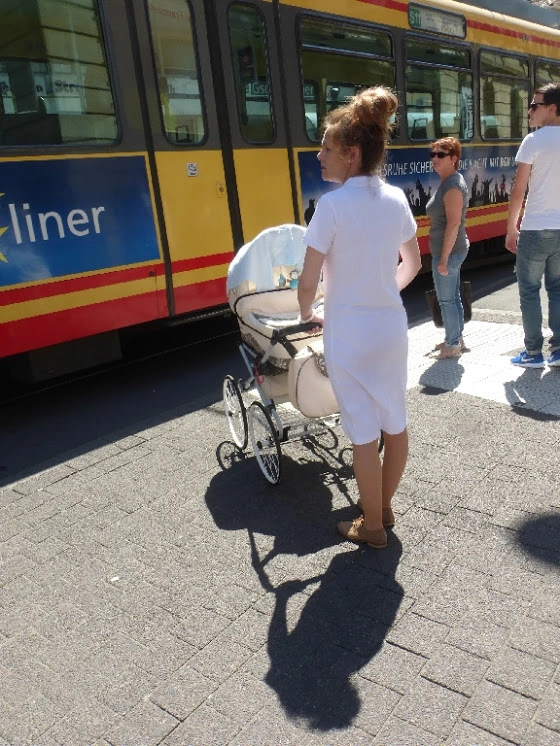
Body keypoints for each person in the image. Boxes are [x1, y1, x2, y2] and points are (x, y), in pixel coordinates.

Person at [297, 86, 421, 550]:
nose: (320, 156)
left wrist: (308, 313)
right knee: (395, 422)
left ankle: (371, 528)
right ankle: (382, 508)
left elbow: (307, 281)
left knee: (364, 435)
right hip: (390, 328)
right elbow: (412, 265)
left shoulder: (329, 208)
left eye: (327, 148)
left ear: (351, 154)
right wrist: (384, 291)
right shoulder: (396, 199)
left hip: (347, 333)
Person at [506, 83, 560, 368]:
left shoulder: (533, 141)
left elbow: (519, 190)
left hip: (536, 227)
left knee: (529, 290)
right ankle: (559, 349)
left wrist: (511, 227)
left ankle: (533, 353)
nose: (529, 111)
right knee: (558, 288)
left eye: (534, 105)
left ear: (552, 108)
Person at [425, 137, 470, 359]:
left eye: (440, 155)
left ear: (454, 158)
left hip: (449, 252)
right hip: (450, 250)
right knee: (452, 297)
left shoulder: (452, 186)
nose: (435, 158)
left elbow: (453, 224)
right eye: (432, 154)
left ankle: (452, 346)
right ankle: (456, 338)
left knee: (447, 300)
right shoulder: (448, 181)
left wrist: (443, 258)